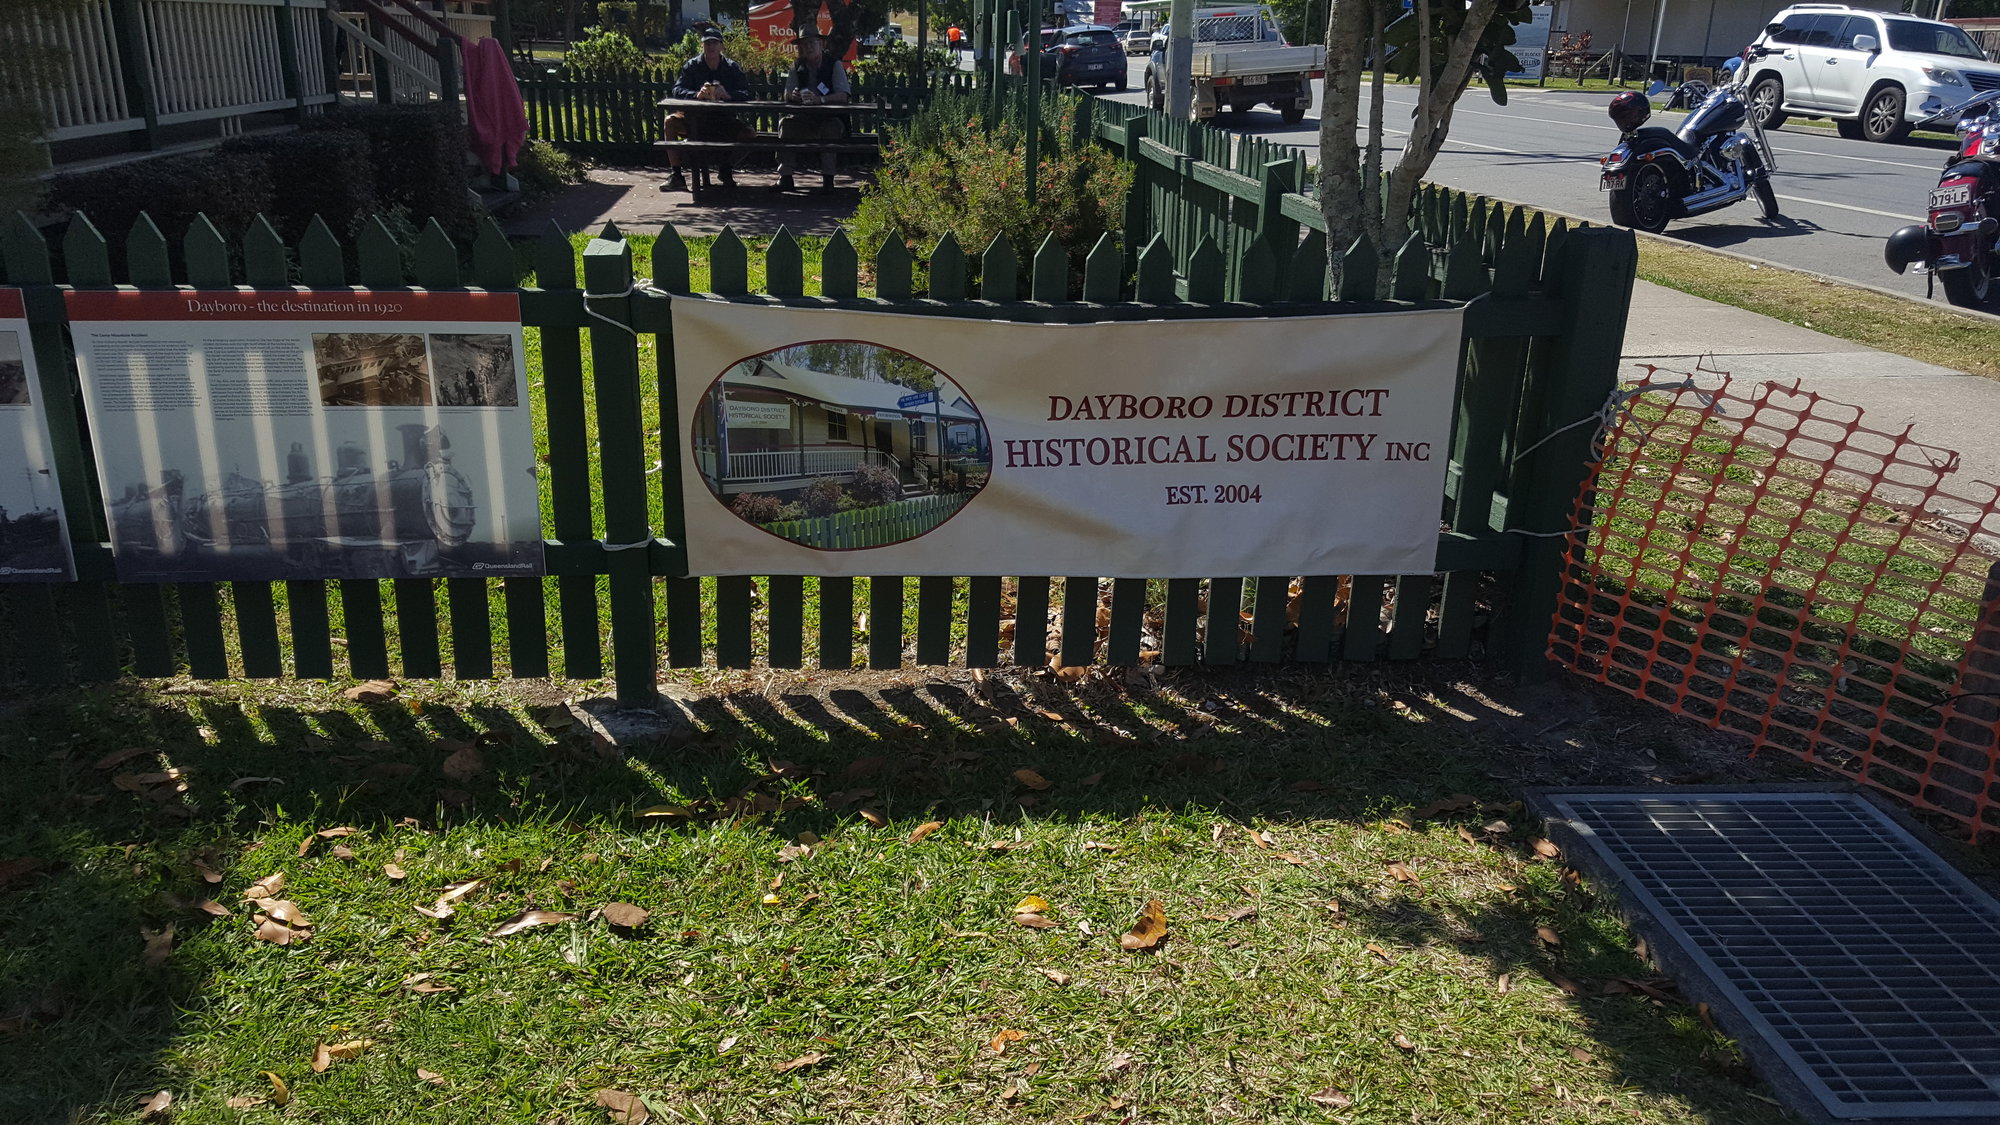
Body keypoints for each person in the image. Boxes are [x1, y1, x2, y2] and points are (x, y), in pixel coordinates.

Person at [662, 29, 754, 192]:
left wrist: (728, 95)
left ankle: (726, 167)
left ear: (721, 46)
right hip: (695, 120)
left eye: (714, 43)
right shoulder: (692, 66)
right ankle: (676, 175)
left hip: (724, 121)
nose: (711, 46)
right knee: (670, 122)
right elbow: (677, 89)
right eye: (707, 43)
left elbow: (747, 93)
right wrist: (696, 95)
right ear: (702, 46)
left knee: (750, 135)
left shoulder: (731, 67)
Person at [772, 32, 851, 193]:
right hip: (803, 118)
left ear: (821, 44)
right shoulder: (797, 65)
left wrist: (821, 100)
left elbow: (843, 95)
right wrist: (793, 96)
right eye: (804, 44)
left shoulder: (834, 65)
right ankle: (785, 177)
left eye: (811, 43)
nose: (808, 47)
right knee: (785, 125)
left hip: (829, 118)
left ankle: (828, 180)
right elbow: (787, 93)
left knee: (830, 129)